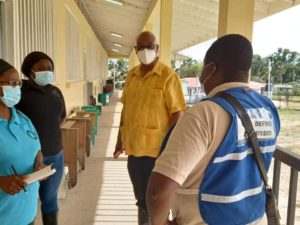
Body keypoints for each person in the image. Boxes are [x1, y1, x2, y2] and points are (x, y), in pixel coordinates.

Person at [146, 34, 280, 225]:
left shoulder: (204, 113)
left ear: (210, 68)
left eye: (203, 69)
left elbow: (158, 192)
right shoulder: (267, 108)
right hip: (253, 219)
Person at [113, 31, 187, 225]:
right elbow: (126, 110)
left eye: (150, 46)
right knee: (142, 200)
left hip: (158, 154)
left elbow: (178, 114)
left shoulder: (168, 77)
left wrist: (166, 147)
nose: (146, 50)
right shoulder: (131, 76)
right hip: (135, 151)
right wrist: (119, 140)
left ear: (157, 49)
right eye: (141, 47)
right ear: (136, 50)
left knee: (159, 200)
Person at [16, 52, 66, 225]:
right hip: (28, 160)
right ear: (30, 70)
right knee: (24, 202)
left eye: (50, 69)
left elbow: (61, 118)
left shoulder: (55, 92)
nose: (47, 72)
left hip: (55, 156)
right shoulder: (19, 92)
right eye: (42, 68)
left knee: (50, 200)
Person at [0, 59, 44, 225]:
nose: (17, 88)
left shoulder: (22, 119)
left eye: (19, 84)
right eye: (12, 83)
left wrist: (39, 164)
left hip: (27, 215)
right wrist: (1, 181)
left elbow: (37, 150)